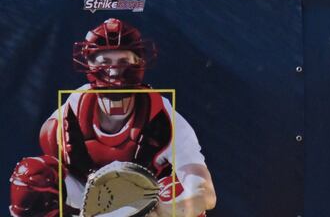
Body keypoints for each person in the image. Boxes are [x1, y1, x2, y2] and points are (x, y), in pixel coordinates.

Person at [9, 18, 217, 217]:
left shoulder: (164, 119)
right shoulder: (65, 118)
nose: (114, 72)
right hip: (88, 200)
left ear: (139, 63)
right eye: (105, 62)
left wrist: (161, 212)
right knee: (32, 177)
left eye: (123, 62)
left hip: (144, 203)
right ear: (89, 65)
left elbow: (205, 192)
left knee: (178, 192)